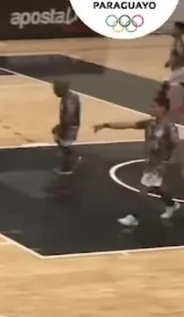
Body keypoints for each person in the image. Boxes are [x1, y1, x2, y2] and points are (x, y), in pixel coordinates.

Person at [94, 92, 182, 227]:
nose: (150, 108)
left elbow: (175, 143)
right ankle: (172, 204)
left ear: (163, 108)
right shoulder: (150, 123)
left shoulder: (169, 127)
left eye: (154, 106)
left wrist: (165, 155)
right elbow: (130, 124)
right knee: (155, 188)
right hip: (150, 161)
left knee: (143, 189)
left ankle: (133, 217)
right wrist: (107, 125)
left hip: (158, 165)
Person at [49, 80, 82, 195]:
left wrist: (60, 127)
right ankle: (72, 159)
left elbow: (69, 116)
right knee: (61, 142)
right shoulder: (70, 97)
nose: (54, 92)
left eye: (55, 89)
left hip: (69, 126)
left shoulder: (68, 100)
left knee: (64, 144)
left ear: (61, 89)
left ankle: (68, 166)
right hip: (69, 125)